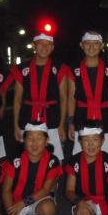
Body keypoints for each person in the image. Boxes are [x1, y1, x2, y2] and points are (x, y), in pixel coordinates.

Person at [10, 31, 69, 161]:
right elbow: (17, 99)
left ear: (52, 47)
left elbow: (63, 99)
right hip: (27, 118)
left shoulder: (59, 68)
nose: (44, 47)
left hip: (52, 118)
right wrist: (16, 125)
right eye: (41, 44)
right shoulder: (22, 69)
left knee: (55, 159)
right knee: (27, 158)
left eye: (48, 44)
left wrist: (61, 125)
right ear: (34, 45)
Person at [2, 122, 63, 215]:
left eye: (39, 138)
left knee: (48, 210)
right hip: (16, 202)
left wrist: (24, 202)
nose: (34, 143)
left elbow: (46, 189)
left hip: (39, 200)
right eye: (30, 138)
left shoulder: (52, 160)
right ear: (24, 141)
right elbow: (6, 190)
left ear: (46, 141)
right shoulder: (15, 160)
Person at [67, 31, 108, 156]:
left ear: (102, 46)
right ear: (81, 45)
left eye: (96, 43)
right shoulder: (74, 69)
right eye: (87, 43)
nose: (91, 47)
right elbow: (71, 98)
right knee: (81, 156)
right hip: (81, 117)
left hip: (105, 117)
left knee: (107, 156)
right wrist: (70, 123)